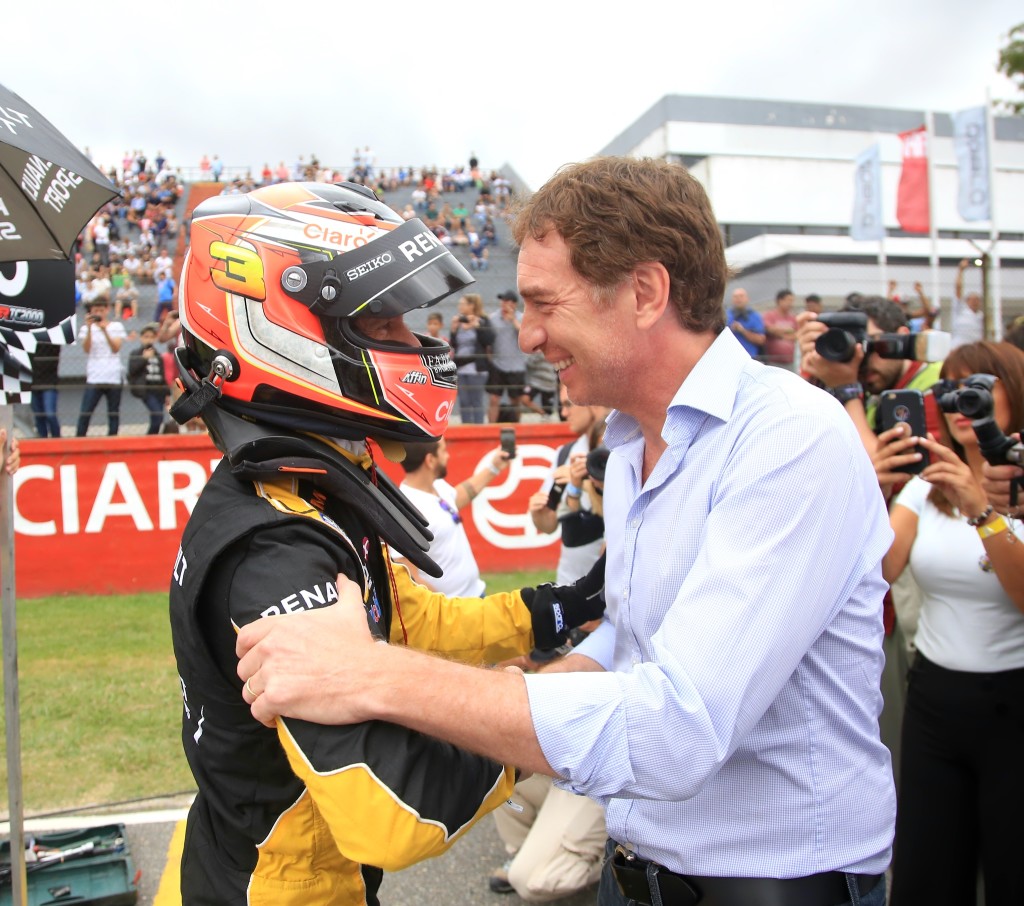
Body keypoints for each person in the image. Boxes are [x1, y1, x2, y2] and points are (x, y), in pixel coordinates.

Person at [238, 157, 894, 906]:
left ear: (645, 292)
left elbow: (677, 732)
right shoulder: (628, 449)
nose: (528, 333)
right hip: (639, 870)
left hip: (773, 887)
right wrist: (512, 695)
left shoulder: (787, 437)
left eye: (545, 303)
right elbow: (629, 640)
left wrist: (374, 674)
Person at [166, 181, 599, 906]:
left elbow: (408, 625)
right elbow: (390, 808)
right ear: (284, 330)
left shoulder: (311, 488)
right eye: (385, 326)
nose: (414, 344)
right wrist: (548, 706)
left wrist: (553, 611)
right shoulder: (275, 548)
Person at [872, 340, 1024, 904]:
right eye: (950, 389)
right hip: (935, 700)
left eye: (980, 386)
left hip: (1014, 704)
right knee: (927, 873)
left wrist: (982, 512)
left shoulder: (1017, 478)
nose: (961, 402)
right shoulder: (925, 484)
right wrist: (869, 487)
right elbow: (879, 571)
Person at [390, 437, 509, 596]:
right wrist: (446, 608)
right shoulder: (406, 510)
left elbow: (457, 497)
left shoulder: (436, 485)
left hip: (475, 597)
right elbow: (408, 574)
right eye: (443, 451)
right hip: (455, 614)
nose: (448, 456)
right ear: (430, 460)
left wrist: (494, 467)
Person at [528, 384, 608, 585]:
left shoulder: (626, 449)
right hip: (570, 586)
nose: (564, 413)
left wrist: (587, 484)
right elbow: (549, 525)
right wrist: (538, 514)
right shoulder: (564, 454)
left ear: (592, 404)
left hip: (613, 589)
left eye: (568, 405)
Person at [75, 296, 125, 437]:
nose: (99, 313)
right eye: (96, 310)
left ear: (107, 310)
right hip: (94, 377)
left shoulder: (116, 326)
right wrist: (91, 329)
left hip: (113, 376)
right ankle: (79, 440)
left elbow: (116, 348)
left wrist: (104, 331)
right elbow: (86, 348)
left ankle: (112, 440)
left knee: (113, 413)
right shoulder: (86, 328)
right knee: (86, 412)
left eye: (101, 310)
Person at [450, 293, 493, 424]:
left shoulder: (482, 320)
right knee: (464, 401)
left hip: (476, 368)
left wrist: (477, 326)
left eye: (462, 304)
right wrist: (453, 329)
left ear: (471, 305)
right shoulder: (459, 321)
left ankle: (478, 427)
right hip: (461, 368)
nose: (460, 306)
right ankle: (466, 426)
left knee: (476, 401)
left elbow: (489, 340)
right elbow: (454, 344)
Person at [487, 290, 528, 422]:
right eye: (502, 301)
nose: (503, 304)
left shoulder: (521, 318)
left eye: (506, 301)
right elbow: (487, 340)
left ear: (514, 304)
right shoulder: (492, 318)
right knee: (494, 399)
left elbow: (525, 335)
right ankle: (491, 429)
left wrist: (513, 320)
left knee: (515, 400)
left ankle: (517, 427)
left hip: (516, 366)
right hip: (497, 365)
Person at [127, 323, 170, 434]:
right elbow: (132, 370)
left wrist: (166, 393)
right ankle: (150, 438)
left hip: (159, 390)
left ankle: (152, 438)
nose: (149, 340)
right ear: (141, 338)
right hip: (146, 389)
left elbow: (161, 374)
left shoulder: (158, 355)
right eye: (146, 337)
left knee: (158, 418)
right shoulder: (136, 353)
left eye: (151, 337)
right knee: (157, 415)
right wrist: (144, 358)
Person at [29, 341, 62, 438]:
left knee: (50, 414)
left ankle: (57, 439)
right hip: (32, 382)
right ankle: (42, 439)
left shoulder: (52, 342)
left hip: (49, 382)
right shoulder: (28, 342)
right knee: (38, 416)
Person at [951, 258, 984, 348]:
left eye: (977, 300)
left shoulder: (982, 316)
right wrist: (961, 270)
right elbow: (958, 289)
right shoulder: (961, 310)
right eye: (972, 300)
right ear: (967, 301)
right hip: (959, 348)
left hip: (976, 349)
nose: (975, 302)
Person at [761, 288, 797, 369]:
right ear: (780, 301)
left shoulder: (793, 318)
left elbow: (797, 335)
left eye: (792, 301)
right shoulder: (769, 315)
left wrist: (779, 334)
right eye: (788, 300)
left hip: (789, 362)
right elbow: (769, 329)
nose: (791, 303)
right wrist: (788, 331)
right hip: (773, 362)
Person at [725, 287, 765, 357]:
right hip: (729, 356)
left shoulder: (754, 316)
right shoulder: (725, 315)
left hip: (750, 357)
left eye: (741, 296)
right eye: (735, 297)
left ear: (747, 299)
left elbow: (761, 340)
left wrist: (742, 331)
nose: (738, 299)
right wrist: (730, 329)